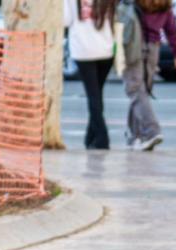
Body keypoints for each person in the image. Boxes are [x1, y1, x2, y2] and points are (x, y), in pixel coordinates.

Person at [120, 0, 176, 151]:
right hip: (153, 49)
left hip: (132, 45)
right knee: (140, 92)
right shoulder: (164, 4)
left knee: (135, 90)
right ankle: (134, 136)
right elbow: (171, 29)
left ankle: (151, 131)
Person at [64, 0, 118, 150]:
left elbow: (65, 20)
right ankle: (90, 138)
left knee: (93, 96)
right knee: (97, 95)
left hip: (83, 50)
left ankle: (102, 138)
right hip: (106, 49)